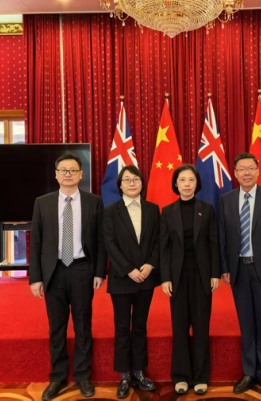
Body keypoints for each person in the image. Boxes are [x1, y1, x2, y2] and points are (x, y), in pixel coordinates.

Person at [29, 153, 106, 400]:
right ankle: (58, 377)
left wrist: (99, 271)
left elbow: (101, 240)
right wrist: (35, 277)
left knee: (83, 324)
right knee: (57, 327)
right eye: (63, 170)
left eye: (73, 170)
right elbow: (36, 241)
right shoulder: (42, 202)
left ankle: (83, 375)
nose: (68, 174)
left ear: (81, 175)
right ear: (56, 174)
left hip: (82, 270)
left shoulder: (94, 202)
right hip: (54, 271)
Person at [218, 152, 261, 400]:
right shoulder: (226, 200)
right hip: (238, 270)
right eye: (241, 169)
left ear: (258, 171)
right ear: (235, 173)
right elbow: (222, 237)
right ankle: (249, 372)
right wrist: (224, 267)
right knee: (246, 322)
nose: (246, 173)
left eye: (251, 168)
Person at [160, 164, 221, 395]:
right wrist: (165, 277)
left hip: (202, 275)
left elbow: (214, 243)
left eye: (191, 180)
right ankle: (181, 376)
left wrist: (215, 273)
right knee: (180, 326)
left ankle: (200, 376)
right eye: (182, 180)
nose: (187, 184)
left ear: (197, 184)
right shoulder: (168, 211)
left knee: (201, 325)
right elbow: (164, 248)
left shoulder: (207, 209)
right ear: (175, 184)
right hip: (177, 277)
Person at [103, 165, 160, 399]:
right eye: (127, 180)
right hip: (122, 278)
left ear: (142, 183)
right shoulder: (110, 211)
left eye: (135, 179)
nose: (131, 183)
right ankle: (124, 375)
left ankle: (139, 372)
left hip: (146, 277)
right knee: (121, 328)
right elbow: (109, 243)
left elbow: (159, 240)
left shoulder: (153, 209)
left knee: (140, 326)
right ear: (120, 185)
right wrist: (128, 270)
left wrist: (150, 264)